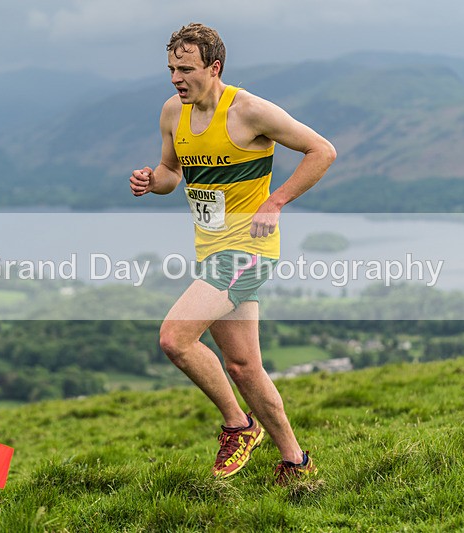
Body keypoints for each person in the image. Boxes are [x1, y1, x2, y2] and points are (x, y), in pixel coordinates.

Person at [129, 22, 336, 485]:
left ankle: (238, 426)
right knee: (243, 366)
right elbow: (170, 172)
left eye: (186, 69)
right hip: (211, 251)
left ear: (214, 67)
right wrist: (151, 181)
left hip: (249, 250)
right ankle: (296, 463)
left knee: (174, 338)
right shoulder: (172, 113)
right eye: (171, 69)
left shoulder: (249, 111)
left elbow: (321, 150)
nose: (176, 78)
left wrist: (275, 200)